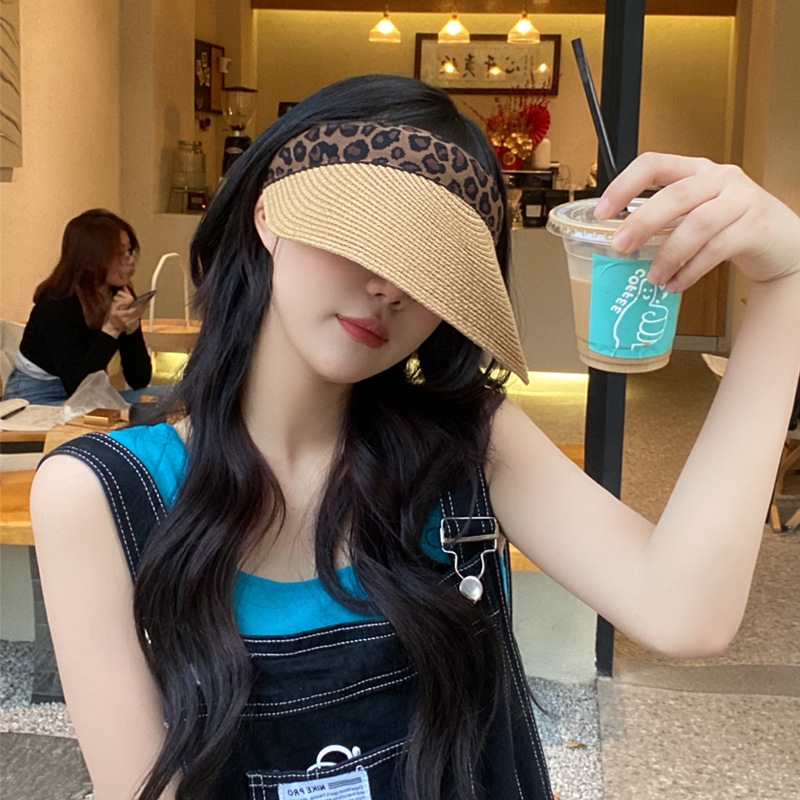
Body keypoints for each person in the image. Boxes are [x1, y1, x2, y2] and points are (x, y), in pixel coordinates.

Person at [30, 74, 800, 800]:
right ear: (269, 215)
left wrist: (784, 283)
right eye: (366, 232)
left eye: (435, 267)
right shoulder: (100, 497)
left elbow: (684, 610)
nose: (392, 286)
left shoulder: (468, 445)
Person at [3, 209, 152, 405]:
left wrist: (132, 330)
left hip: (84, 393)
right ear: (89, 261)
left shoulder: (118, 294)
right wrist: (112, 329)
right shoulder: (57, 303)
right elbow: (76, 385)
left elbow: (139, 380)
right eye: (120, 253)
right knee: (116, 416)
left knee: (166, 398)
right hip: (35, 395)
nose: (130, 260)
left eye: (130, 250)